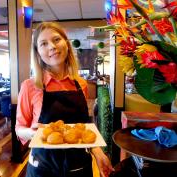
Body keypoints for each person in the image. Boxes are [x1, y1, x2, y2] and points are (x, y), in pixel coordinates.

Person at [15, 22, 114, 177]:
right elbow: (19, 129)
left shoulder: (81, 84)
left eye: (56, 40)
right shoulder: (30, 86)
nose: (52, 47)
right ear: (38, 52)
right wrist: (35, 133)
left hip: (79, 166)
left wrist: (98, 152)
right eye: (43, 43)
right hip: (43, 167)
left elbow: (84, 126)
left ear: (66, 44)